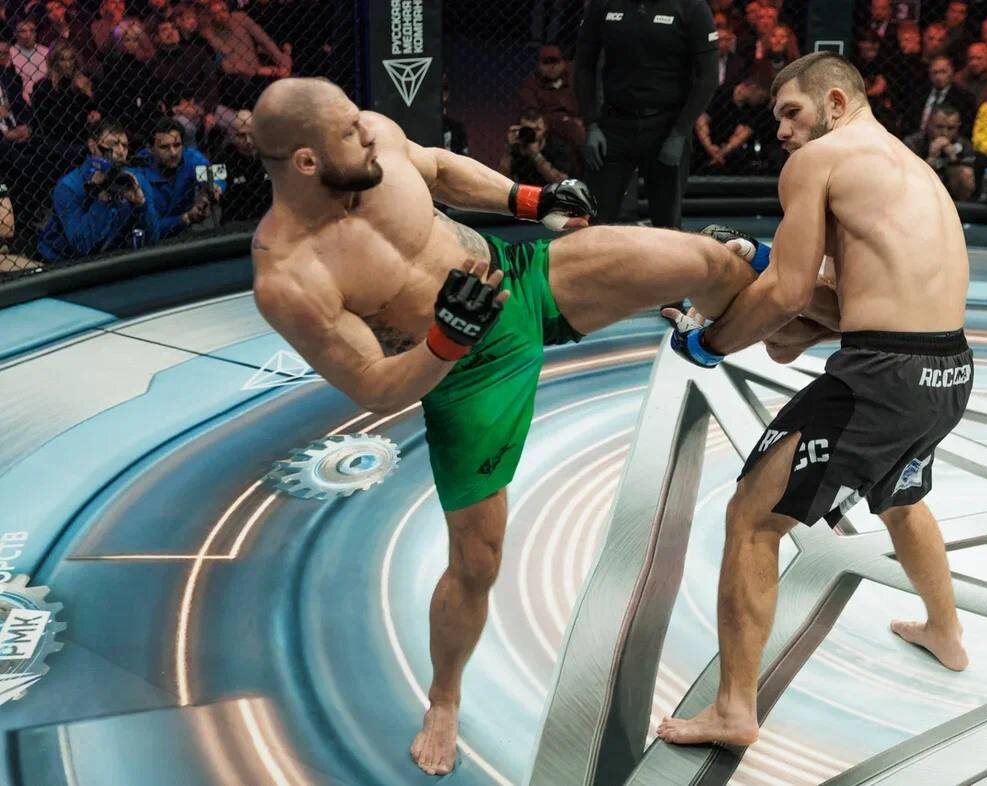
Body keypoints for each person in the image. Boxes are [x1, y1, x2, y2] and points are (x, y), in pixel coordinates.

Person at [248, 77, 831, 777]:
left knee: (705, 260)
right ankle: (443, 699)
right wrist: (445, 339)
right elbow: (374, 385)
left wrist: (528, 199)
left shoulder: (371, 139)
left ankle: (790, 330)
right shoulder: (288, 275)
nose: (369, 132)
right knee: (477, 562)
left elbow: (437, 168)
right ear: (306, 161)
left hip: (522, 280)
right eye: (349, 134)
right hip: (461, 373)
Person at [656, 51, 971, 749]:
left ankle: (733, 710)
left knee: (751, 519)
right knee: (899, 496)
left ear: (833, 103)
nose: (782, 132)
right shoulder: (909, 168)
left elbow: (790, 296)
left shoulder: (818, 161)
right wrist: (764, 273)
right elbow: (837, 309)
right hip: (947, 372)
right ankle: (945, 632)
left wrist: (708, 343)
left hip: (882, 379)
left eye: (791, 113)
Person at [574, 0, 719, 228]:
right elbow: (583, 65)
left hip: (667, 126)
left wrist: (680, 132)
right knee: (595, 219)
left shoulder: (691, 6)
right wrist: (590, 124)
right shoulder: (602, 4)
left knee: (667, 225)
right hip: (614, 124)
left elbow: (708, 77)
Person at [37, 118, 160, 261]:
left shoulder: (135, 180)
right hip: (64, 261)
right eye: (113, 144)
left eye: (125, 146)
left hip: (115, 259)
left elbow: (153, 239)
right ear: (93, 145)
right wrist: (102, 199)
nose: (121, 151)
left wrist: (141, 205)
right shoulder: (68, 186)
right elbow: (82, 245)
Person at [136, 117, 226, 236]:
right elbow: (149, 227)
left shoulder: (189, 156)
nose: (173, 153)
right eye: (164, 147)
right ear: (150, 148)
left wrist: (213, 188)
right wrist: (185, 218)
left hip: (184, 233)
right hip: (149, 238)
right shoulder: (139, 169)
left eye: (177, 145)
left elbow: (215, 174)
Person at [517, 43, 584, 152]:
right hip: (551, 123)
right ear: (539, 65)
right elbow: (531, 111)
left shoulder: (574, 74)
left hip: (580, 117)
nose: (551, 67)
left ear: (563, 63)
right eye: (546, 63)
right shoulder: (531, 85)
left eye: (555, 62)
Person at [905, 104, 976, 200]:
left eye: (951, 128)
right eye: (939, 127)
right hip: (919, 196)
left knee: (966, 173)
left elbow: (966, 190)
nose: (945, 133)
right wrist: (931, 158)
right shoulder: (913, 143)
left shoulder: (964, 145)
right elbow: (909, 179)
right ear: (929, 125)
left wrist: (953, 159)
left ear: (958, 127)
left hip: (953, 198)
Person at [496, 108, 575, 185]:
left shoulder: (557, 147)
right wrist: (509, 148)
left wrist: (536, 156)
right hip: (523, 191)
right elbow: (500, 180)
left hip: (549, 192)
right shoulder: (517, 147)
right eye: (528, 129)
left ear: (545, 128)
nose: (532, 133)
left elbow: (561, 182)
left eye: (537, 129)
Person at [955, 42, 987, 108]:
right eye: (971, 58)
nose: (974, 63)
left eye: (979, 58)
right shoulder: (961, 77)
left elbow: (981, 104)